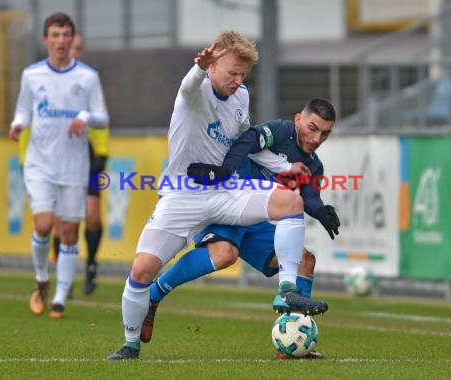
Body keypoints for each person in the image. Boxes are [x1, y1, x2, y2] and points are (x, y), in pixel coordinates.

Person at [107, 32, 337, 360]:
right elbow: (188, 87)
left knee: (291, 202)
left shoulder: (241, 96)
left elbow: (248, 144)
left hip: (226, 189)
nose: (238, 80)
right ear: (213, 66)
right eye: (232, 72)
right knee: (142, 270)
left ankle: (286, 292)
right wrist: (198, 69)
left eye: (243, 74)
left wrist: (287, 167)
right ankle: (130, 345)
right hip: (183, 193)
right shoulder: (195, 89)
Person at [140, 98, 339, 360]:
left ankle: (294, 340)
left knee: (305, 261)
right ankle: (153, 295)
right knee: (224, 255)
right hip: (226, 203)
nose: (316, 138)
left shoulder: (314, 165)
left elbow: (310, 197)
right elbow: (247, 139)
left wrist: (321, 211)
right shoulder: (281, 132)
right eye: (312, 128)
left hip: (254, 223)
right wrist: (226, 170)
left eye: (325, 133)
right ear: (298, 119)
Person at [9, 12, 109, 319]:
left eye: (66, 35)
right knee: (43, 225)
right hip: (40, 163)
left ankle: (60, 298)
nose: (61, 41)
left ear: (72, 39)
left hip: (74, 166)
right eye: (55, 35)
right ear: (46, 39)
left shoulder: (88, 77)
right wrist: (17, 124)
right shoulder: (32, 75)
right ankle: (42, 279)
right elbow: (23, 111)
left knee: (68, 232)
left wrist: (84, 117)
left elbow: (102, 117)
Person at [70, 33, 110, 295]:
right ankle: (64, 276)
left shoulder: (89, 82)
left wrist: (100, 157)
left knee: (92, 215)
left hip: (91, 159)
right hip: (61, 161)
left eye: (78, 48)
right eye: (71, 46)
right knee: (65, 220)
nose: (74, 51)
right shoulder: (47, 82)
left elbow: (102, 120)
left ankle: (91, 266)